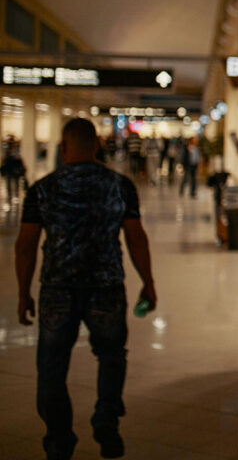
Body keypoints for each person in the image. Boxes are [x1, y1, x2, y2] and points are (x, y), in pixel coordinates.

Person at [15, 118, 156, 460]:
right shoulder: (119, 186)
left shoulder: (42, 189)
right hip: (106, 288)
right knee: (111, 356)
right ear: (96, 146)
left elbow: (26, 245)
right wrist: (148, 283)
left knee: (51, 368)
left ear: (63, 148)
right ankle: (106, 418)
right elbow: (136, 238)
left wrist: (23, 292)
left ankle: (59, 441)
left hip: (57, 290)